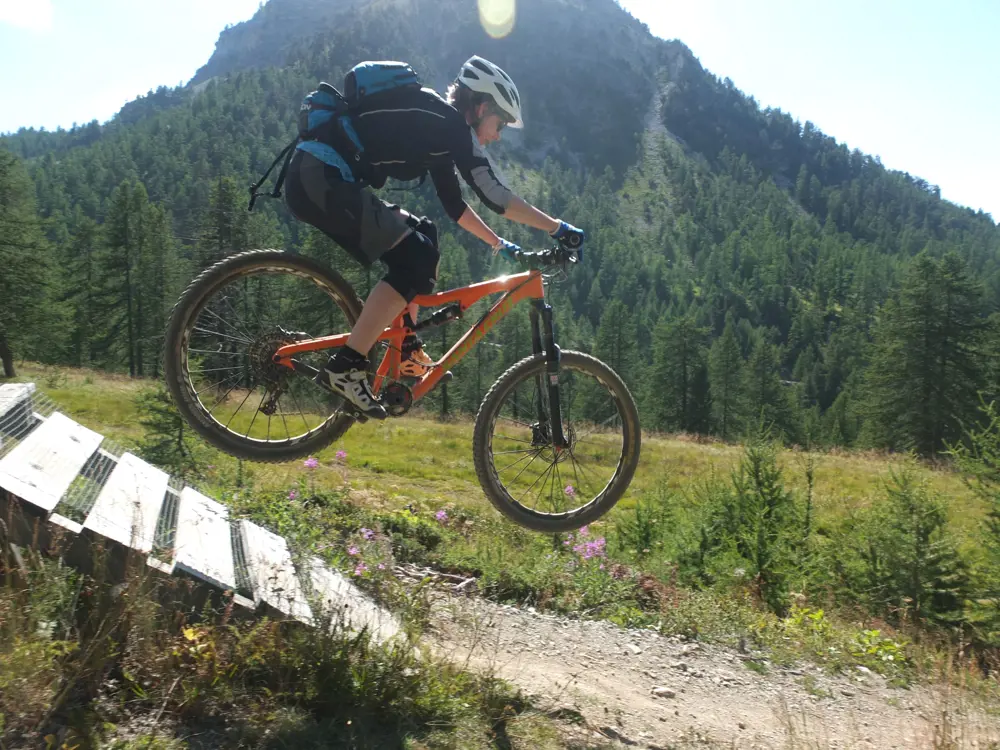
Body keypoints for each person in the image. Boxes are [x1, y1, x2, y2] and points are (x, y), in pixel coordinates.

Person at [283, 55, 585, 419]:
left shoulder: (439, 127)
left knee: (424, 234)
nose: (498, 134)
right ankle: (347, 364)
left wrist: (501, 246)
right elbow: (494, 195)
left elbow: (455, 207)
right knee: (416, 258)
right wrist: (558, 228)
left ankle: (406, 347)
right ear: (481, 105)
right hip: (321, 180)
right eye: (500, 121)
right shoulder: (450, 124)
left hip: (318, 179)